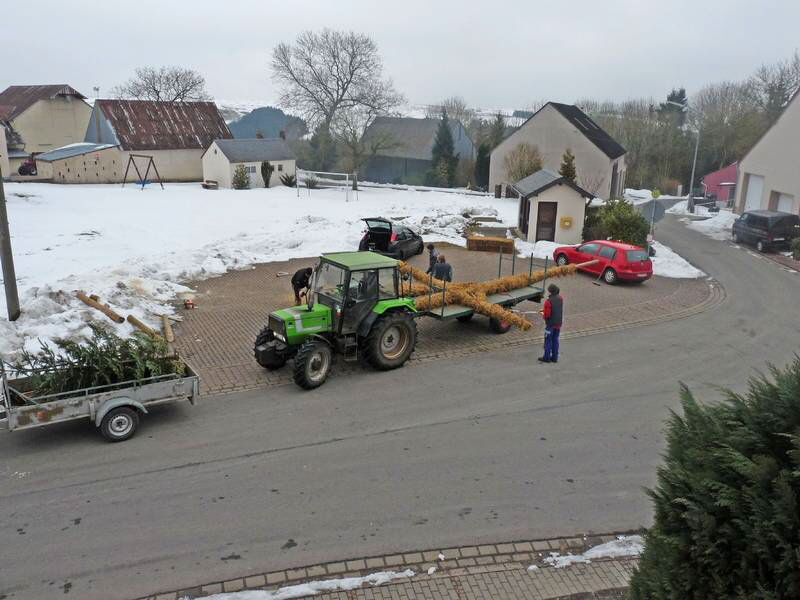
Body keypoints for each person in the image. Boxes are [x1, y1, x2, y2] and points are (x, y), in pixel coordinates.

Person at [539, 283, 563, 363]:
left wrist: (543, 313)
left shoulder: (548, 302)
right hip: (558, 324)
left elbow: (547, 315)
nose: (547, 292)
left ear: (551, 292)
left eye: (548, 291)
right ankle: (554, 358)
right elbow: (555, 309)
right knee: (555, 340)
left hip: (550, 325)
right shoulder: (560, 298)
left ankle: (546, 358)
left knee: (548, 341)